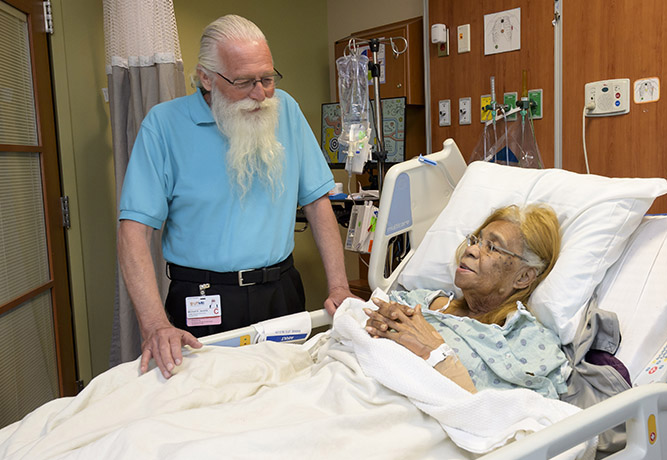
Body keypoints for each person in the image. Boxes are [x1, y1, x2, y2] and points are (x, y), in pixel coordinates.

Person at [118, 14, 355, 379]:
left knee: (287, 398)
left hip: (280, 292)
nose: (259, 94)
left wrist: (340, 287)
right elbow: (133, 230)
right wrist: (153, 323)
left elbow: (317, 201)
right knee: (208, 408)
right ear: (206, 79)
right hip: (202, 299)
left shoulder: (286, 111)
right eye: (244, 82)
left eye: (267, 78)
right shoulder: (163, 126)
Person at [364, 204, 568, 395]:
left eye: (493, 248)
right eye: (475, 241)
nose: (470, 250)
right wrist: (377, 323)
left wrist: (435, 351)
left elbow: (511, 417)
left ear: (523, 277)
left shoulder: (527, 341)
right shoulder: (418, 302)